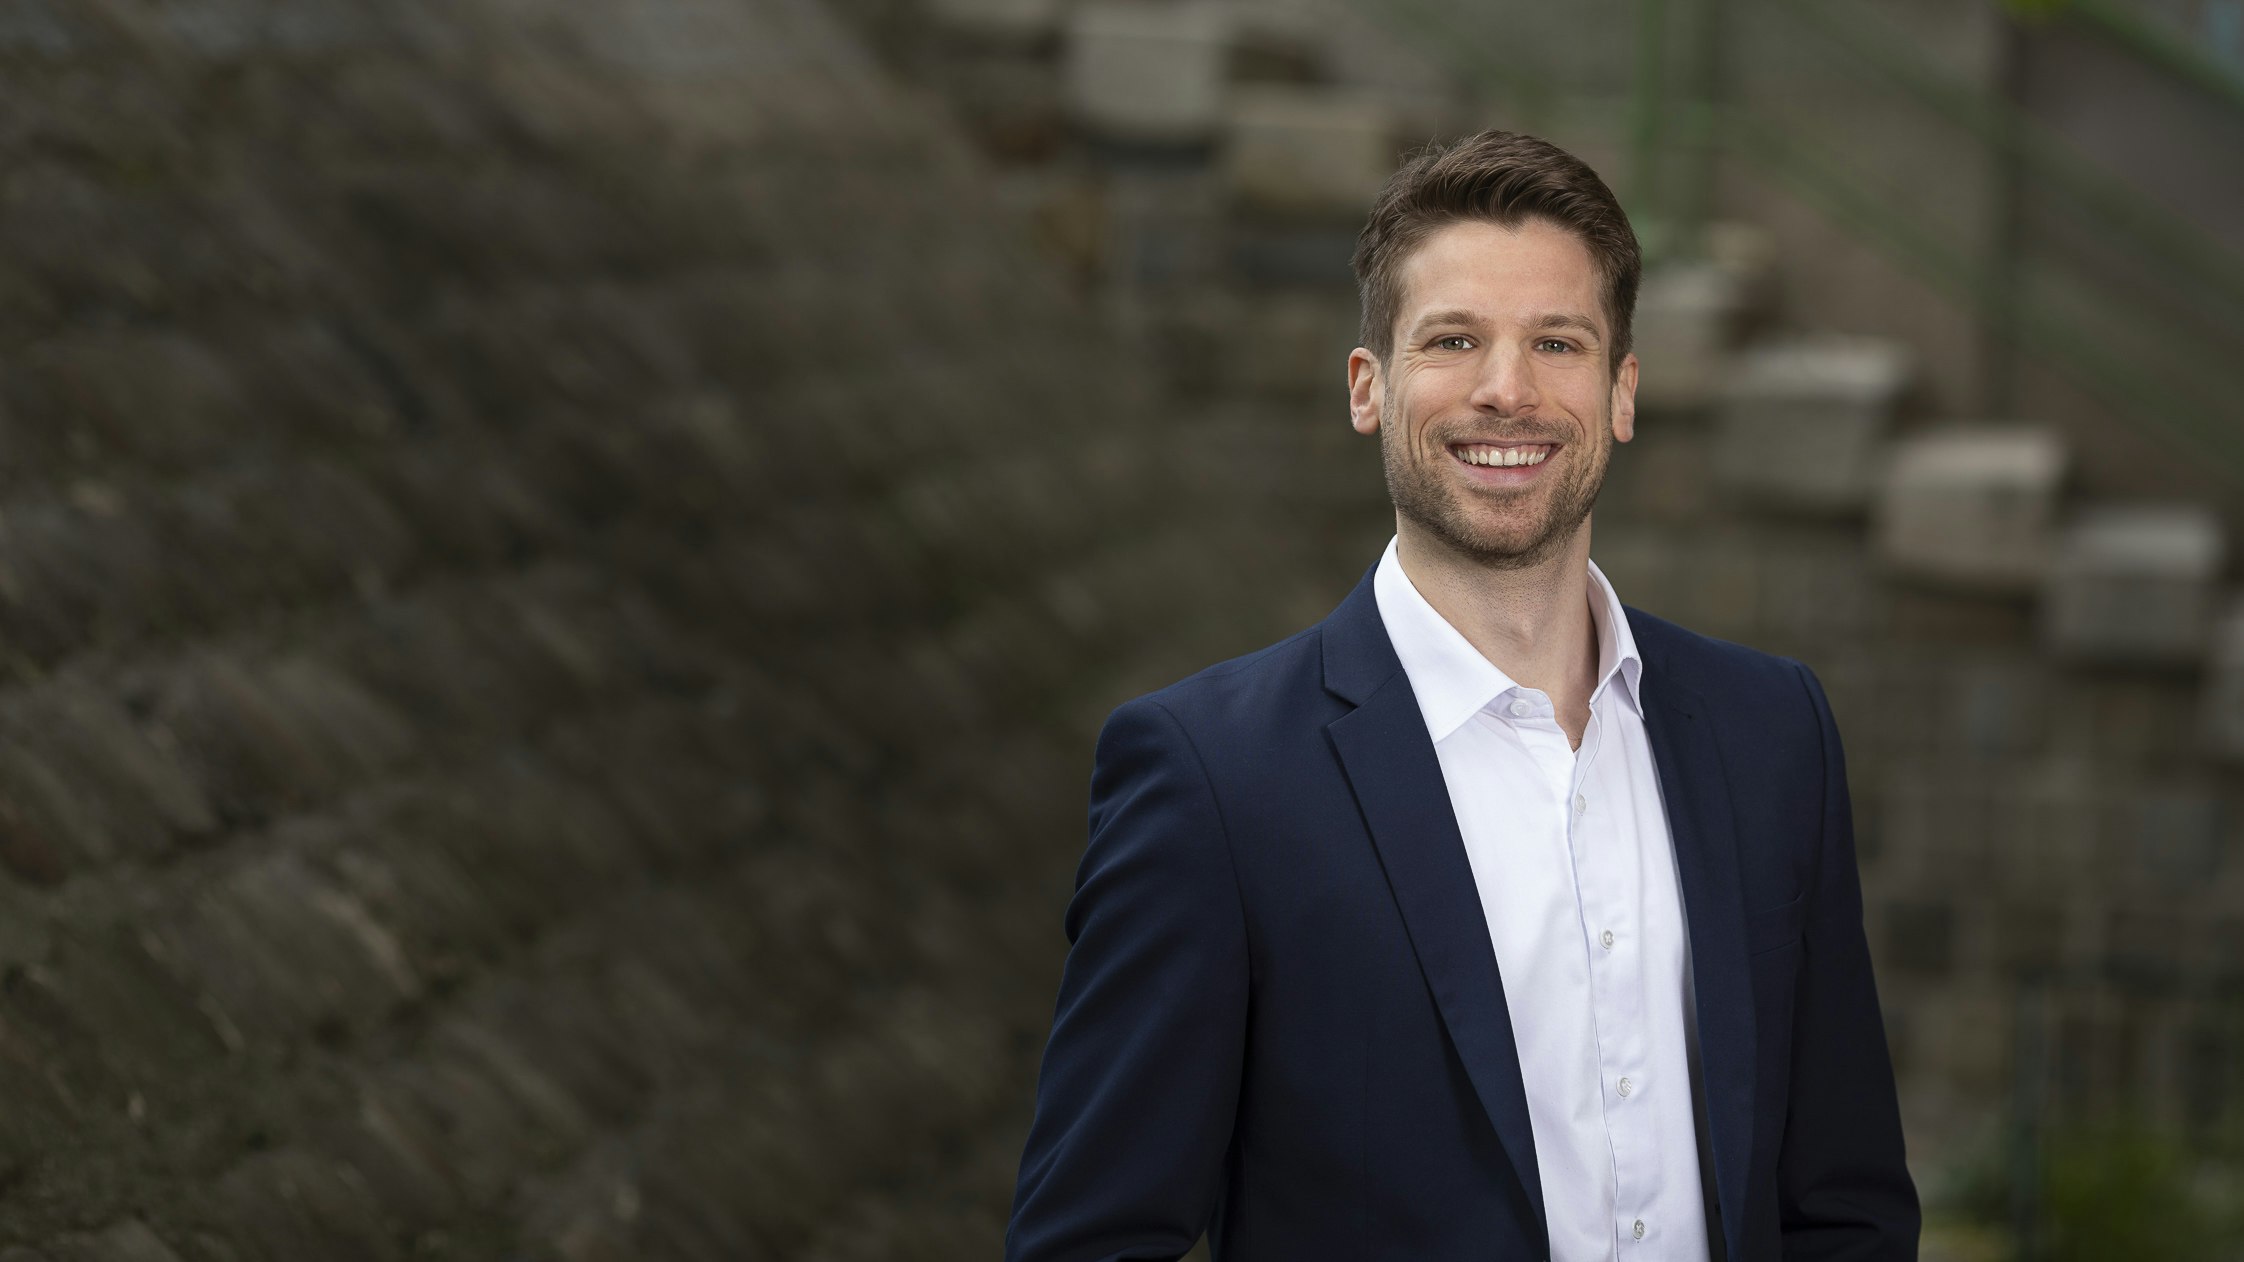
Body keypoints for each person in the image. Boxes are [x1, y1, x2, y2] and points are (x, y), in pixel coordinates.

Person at [1006, 129, 1917, 1262]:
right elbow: (1088, 1238)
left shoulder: (1774, 731)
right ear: (1367, 387)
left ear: (1622, 391)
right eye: (1453, 339)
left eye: (1558, 341)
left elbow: (1846, 1200)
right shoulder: (1212, 781)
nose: (1507, 389)